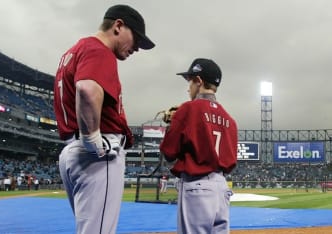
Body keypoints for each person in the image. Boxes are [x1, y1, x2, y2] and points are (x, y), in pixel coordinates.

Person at [53, 4, 154, 234]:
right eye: (135, 38)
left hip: (72, 151)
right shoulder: (99, 50)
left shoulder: (74, 51)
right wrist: (92, 139)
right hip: (97, 155)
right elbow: (86, 89)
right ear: (118, 26)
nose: (137, 47)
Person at [160, 58, 238, 234]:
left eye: (190, 81)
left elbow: (169, 152)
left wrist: (173, 125)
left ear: (199, 81)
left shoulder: (187, 110)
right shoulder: (230, 120)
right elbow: (231, 161)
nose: (189, 88)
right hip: (222, 188)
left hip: (197, 186)